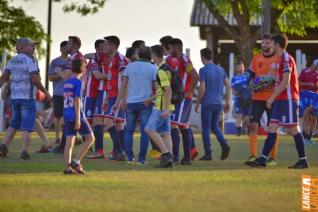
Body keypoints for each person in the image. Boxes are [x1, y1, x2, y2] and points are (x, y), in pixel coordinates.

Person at [246, 33, 308, 169]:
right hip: (279, 99)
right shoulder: (279, 59)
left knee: (294, 128)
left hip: (288, 98)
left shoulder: (286, 58)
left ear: (277, 45)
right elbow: (275, 81)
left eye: (271, 43)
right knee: (272, 127)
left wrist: (271, 97)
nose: (269, 45)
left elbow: (286, 82)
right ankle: (262, 159)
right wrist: (259, 85)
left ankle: (303, 160)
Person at [0, 38, 51, 160]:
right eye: (31, 46)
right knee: (27, 126)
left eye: (34, 46)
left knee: (14, 124)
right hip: (27, 98)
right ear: (22, 47)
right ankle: (24, 151)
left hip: (15, 98)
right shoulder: (30, 60)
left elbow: (4, 77)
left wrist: (5, 88)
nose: (34, 48)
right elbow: (34, 79)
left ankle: (3, 146)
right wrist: (45, 92)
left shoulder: (13, 60)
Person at [114, 46, 157, 165]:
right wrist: (152, 99)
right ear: (149, 55)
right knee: (145, 131)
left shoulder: (129, 66)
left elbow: (123, 86)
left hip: (130, 102)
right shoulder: (153, 67)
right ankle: (141, 159)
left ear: (139, 55)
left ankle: (129, 158)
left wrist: (122, 100)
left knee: (129, 131)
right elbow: (157, 87)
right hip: (146, 102)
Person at [245, 34, 280, 166]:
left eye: (267, 43)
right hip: (257, 98)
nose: (264, 45)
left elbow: (279, 79)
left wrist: (263, 82)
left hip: (272, 98)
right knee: (253, 125)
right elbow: (250, 76)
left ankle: (272, 158)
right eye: (263, 43)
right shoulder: (256, 58)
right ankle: (253, 156)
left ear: (272, 44)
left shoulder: (278, 59)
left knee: (273, 128)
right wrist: (249, 82)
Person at [166, 38, 199, 163]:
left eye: (171, 48)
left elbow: (195, 75)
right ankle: (186, 158)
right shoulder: (177, 60)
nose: (170, 50)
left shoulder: (184, 60)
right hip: (181, 98)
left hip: (183, 99)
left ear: (177, 47)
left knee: (173, 124)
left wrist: (189, 91)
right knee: (184, 126)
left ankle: (175, 157)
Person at [195, 48, 231, 161]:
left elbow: (202, 89)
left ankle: (208, 153)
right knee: (214, 126)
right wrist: (227, 102)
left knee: (206, 129)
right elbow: (229, 85)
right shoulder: (221, 69)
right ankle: (224, 144)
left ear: (203, 57)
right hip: (218, 103)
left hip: (207, 103)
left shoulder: (203, 70)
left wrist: (197, 103)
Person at [52, 36, 86, 154]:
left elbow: (67, 76)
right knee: (71, 118)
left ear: (75, 45)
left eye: (69, 43)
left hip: (76, 91)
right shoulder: (74, 57)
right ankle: (63, 146)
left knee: (76, 118)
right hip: (74, 90)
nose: (67, 46)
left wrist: (58, 71)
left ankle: (66, 147)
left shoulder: (76, 57)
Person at [63, 60, 95, 174]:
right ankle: (76, 161)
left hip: (66, 113)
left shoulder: (67, 82)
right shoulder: (78, 83)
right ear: (82, 69)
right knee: (90, 138)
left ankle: (67, 168)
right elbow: (77, 99)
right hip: (76, 114)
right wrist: (78, 119)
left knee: (69, 142)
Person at [145, 45, 174, 168]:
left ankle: (166, 154)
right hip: (167, 105)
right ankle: (169, 160)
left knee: (149, 129)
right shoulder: (167, 68)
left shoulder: (161, 70)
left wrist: (165, 109)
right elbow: (163, 90)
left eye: (151, 54)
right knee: (165, 133)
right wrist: (151, 99)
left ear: (154, 55)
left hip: (162, 106)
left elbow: (168, 91)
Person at [100, 35, 127, 160]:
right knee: (119, 125)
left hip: (117, 97)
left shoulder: (120, 59)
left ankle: (120, 151)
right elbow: (111, 81)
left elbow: (125, 80)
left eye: (106, 44)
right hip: (112, 96)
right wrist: (106, 98)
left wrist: (122, 99)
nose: (104, 46)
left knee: (107, 122)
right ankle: (120, 152)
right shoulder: (112, 59)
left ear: (113, 45)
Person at [48, 40, 69, 145]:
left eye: (68, 47)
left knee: (69, 116)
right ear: (61, 49)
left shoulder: (72, 61)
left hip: (70, 93)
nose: (67, 49)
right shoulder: (55, 62)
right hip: (58, 93)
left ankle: (68, 136)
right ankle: (57, 137)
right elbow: (50, 78)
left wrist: (62, 73)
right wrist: (60, 75)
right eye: (65, 47)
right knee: (58, 116)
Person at [298, 59, 318, 142]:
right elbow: (298, 83)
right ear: (314, 64)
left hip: (314, 96)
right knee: (306, 115)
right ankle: (305, 134)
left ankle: (308, 136)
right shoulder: (304, 71)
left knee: (314, 117)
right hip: (304, 95)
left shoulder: (317, 73)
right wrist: (308, 84)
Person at [231, 61, 251, 136]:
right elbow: (232, 90)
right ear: (236, 68)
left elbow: (254, 82)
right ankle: (239, 133)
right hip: (238, 100)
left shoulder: (247, 76)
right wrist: (236, 93)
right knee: (239, 115)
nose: (240, 69)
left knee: (247, 118)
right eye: (239, 67)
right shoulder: (234, 78)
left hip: (248, 100)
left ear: (244, 68)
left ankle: (249, 129)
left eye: (241, 67)